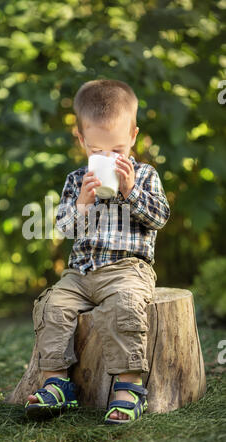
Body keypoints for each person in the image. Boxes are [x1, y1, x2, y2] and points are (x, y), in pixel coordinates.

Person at [25, 79, 170, 424]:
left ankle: (128, 386)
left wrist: (130, 190)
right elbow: (64, 229)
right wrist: (83, 205)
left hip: (127, 269)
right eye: (97, 151)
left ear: (133, 136)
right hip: (81, 273)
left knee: (124, 307)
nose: (107, 159)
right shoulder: (77, 181)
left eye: (117, 150)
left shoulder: (145, 175)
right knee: (51, 305)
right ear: (81, 140)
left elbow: (159, 217)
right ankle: (56, 382)